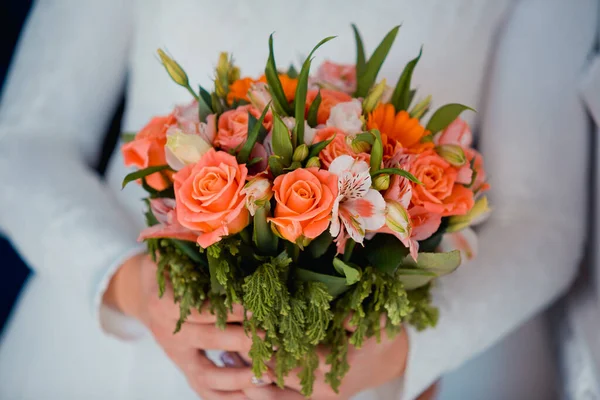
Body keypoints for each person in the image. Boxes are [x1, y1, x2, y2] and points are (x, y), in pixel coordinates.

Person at [0, 1, 597, 399]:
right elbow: (24, 140)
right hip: (101, 349)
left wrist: (404, 350)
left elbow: (539, 214)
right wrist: (130, 285)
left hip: (365, 365)